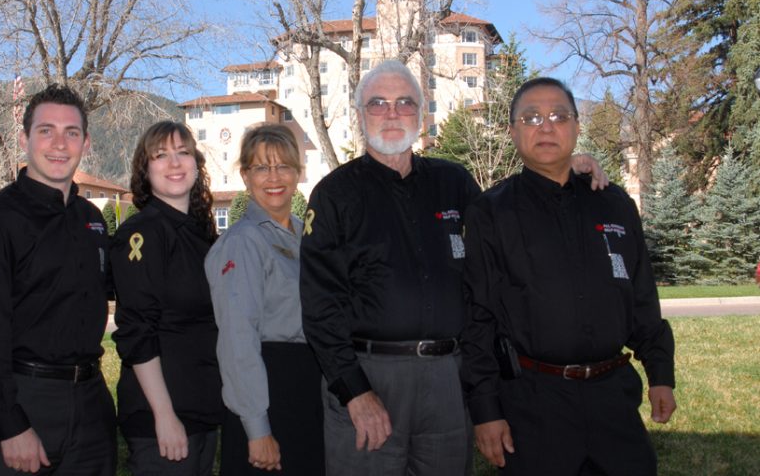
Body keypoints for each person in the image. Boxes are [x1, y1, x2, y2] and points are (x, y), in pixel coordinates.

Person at [299, 61, 608, 476]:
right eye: (378, 104)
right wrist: (355, 392)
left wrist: (564, 169)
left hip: (448, 381)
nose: (392, 114)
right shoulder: (334, 194)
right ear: (360, 115)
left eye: (405, 103)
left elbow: (513, 214)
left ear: (422, 113)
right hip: (370, 377)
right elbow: (320, 307)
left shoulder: (454, 182)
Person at [461, 77, 677, 475]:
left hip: (613, 398)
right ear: (513, 132)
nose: (546, 126)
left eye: (559, 116)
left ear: (577, 127)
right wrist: (485, 410)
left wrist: (661, 374)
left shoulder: (614, 204)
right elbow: (478, 318)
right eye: (531, 117)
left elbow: (642, 297)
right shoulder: (491, 213)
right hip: (533, 403)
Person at [0, 84, 116, 475]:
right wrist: (10, 425)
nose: (59, 143)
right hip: (22, 400)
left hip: (90, 403)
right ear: (25, 139)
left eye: (71, 132)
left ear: (86, 142)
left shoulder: (90, 220)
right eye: (46, 130)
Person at [205, 123, 323, 475]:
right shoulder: (243, 242)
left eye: (283, 165)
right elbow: (238, 340)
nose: (274, 177)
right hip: (269, 394)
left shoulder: (306, 236)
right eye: (261, 167)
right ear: (245, 175)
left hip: (306, 391)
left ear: (298, 173)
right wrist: (257, 429)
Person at [111, 121, 224, 475]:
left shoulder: (201, 233)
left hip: (203, 409)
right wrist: (164, 416)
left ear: (196, 163)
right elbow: (136, 332)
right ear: (145, 170)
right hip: (163, 419)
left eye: (183, 153)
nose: (174, 163)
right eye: (161, 156)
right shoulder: (142, 234)